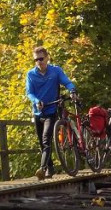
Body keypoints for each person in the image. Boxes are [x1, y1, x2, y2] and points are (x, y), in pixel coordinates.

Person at [25, 46, 77, 180]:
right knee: (41, 143)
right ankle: (50, 167)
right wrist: (36, 101)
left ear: (47, 57)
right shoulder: (31, 74)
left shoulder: (55, 71)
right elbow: (29, 92)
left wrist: (72, 90)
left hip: (51, 110)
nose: (39, 62)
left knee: (46, 139)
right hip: (38, 111)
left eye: (41, 59)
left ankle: (42, 169)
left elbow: (67, 82)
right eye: (36, 60)